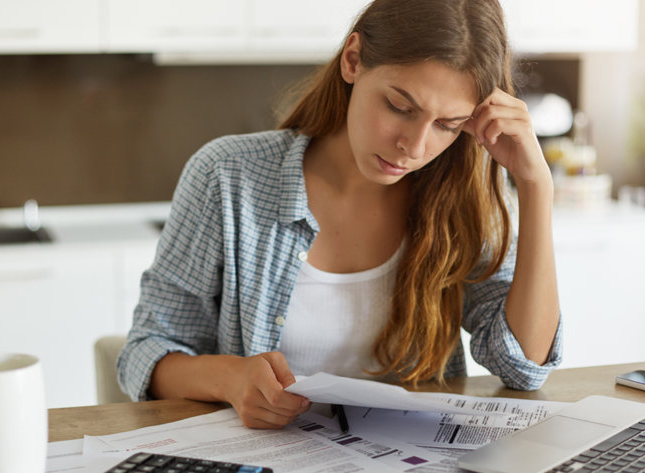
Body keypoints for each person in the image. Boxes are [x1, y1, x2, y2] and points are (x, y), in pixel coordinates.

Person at [117, 0, 562, 430]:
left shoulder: (464, 196)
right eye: (400, 107)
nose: (415, 145)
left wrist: (535, 185)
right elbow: (146, 351)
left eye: (447, 125)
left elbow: (523, 366)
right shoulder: (228, 176)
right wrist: (232, 378)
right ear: (353, 60)